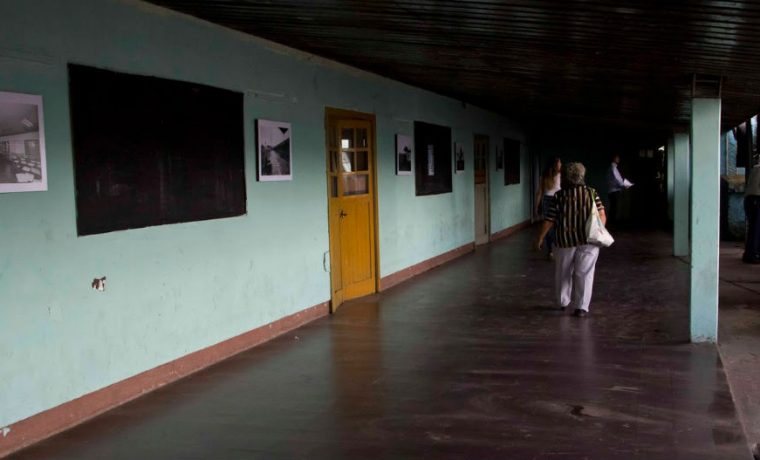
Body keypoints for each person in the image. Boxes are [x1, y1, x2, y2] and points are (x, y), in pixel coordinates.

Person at [534, 162, 607, 317]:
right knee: (585, 273)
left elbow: (550, 219)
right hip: (588, 240)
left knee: (563, 272)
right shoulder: (591, 192)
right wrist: (599, 230)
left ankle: (563, 302)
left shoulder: (559, 196)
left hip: (564, 240)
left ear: (567, 177)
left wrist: (540, 238)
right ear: (582, 176)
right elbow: (601, 214)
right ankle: (581, 307)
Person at [534, 157, 562, 259]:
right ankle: (554, 249)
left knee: (548, 227)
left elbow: (539, 192)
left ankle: (551, 250)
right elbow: (539, 192)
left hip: (547, 201)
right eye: (559, 163)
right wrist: (536, 206)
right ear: (555, 164)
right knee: (556, 226)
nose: (561, 165)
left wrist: (536, 207)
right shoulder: (560, 176)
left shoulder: (545, 176)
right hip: (557, 200)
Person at [606, 154, 630, 227]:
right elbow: (618, 180)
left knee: (613, 208)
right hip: (614, 191)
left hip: (611, 191)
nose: (618, 159)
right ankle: (612, 225)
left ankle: (611, 224)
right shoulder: (613, 168)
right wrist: (624, 185)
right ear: (614, 159)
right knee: (614, 209)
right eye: (617, 158)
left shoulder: (611, 168)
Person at [744, 162, 760, 264]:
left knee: (754, 228)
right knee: (756, 229)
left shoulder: (756, 168)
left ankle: (751, 253)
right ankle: (752, 254)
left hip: (750, 199)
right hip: (757, 199)